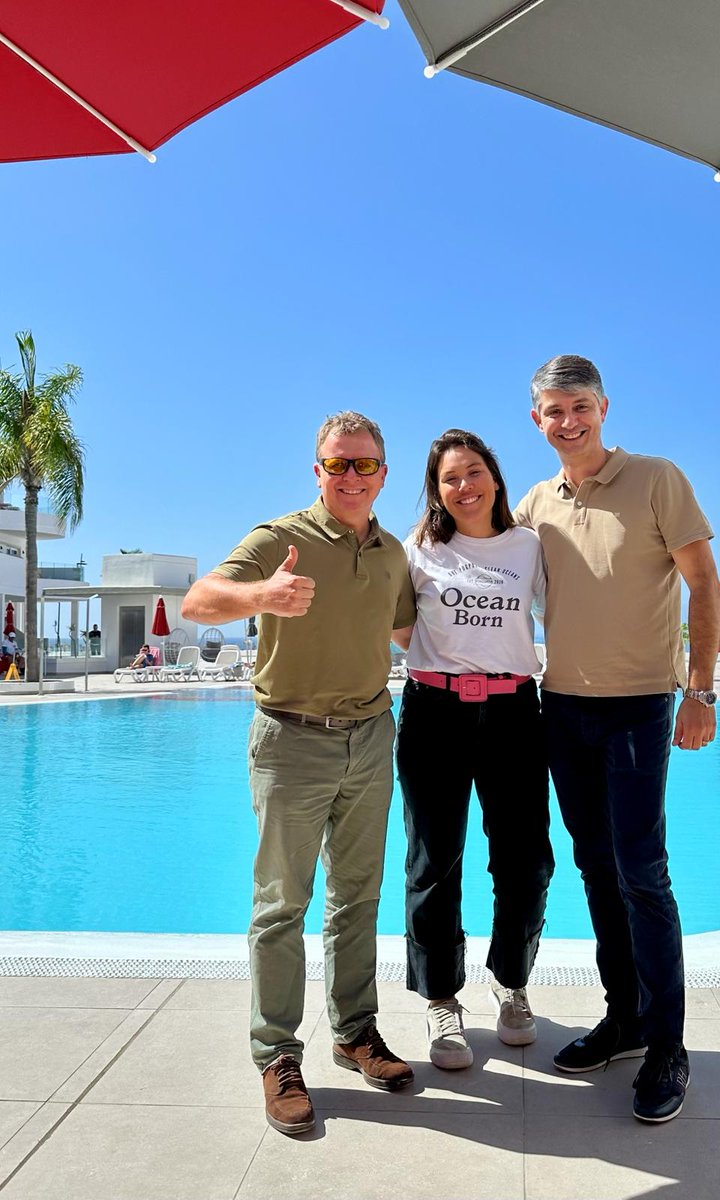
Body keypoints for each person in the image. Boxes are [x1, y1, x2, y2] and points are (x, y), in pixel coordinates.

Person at [181, 411, 417, 1136]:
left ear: (383, 473)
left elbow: (413, 631)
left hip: (372, 736)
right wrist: (259, 597)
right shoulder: (278, 538)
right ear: (317, 472)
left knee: (356, 898)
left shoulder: (391, 553)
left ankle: (354, 1033)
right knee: (280, 904)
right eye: (337, 465)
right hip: (290, 740)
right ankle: (278, 1055)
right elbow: (196, 602)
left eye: (364, 464)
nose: (351, 477)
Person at [515, 355, 720, 1124]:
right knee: (596, 868)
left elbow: (704, 583)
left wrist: (696, 691)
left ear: (602, 407)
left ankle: (667, 1044)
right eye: (552, 411)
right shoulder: (535, 501)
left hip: (639, 706)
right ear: (535, 419)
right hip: (561, 709)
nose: (566, 422)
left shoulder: (657, 478)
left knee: (641, 870)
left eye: (578, 407)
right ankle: (624, 1016)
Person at [393, 429, 553, 1070]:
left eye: (474, 472)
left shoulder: (529, 547)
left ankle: (511, 983)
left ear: (494, 476)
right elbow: (401, 625)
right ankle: (441, 999)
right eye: (449, 478)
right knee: (434, 862)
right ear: (436, 489)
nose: (464, 486)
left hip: (515, 712)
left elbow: (562, 611)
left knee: (526, 859)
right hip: (434, 712)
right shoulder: (421, 548)